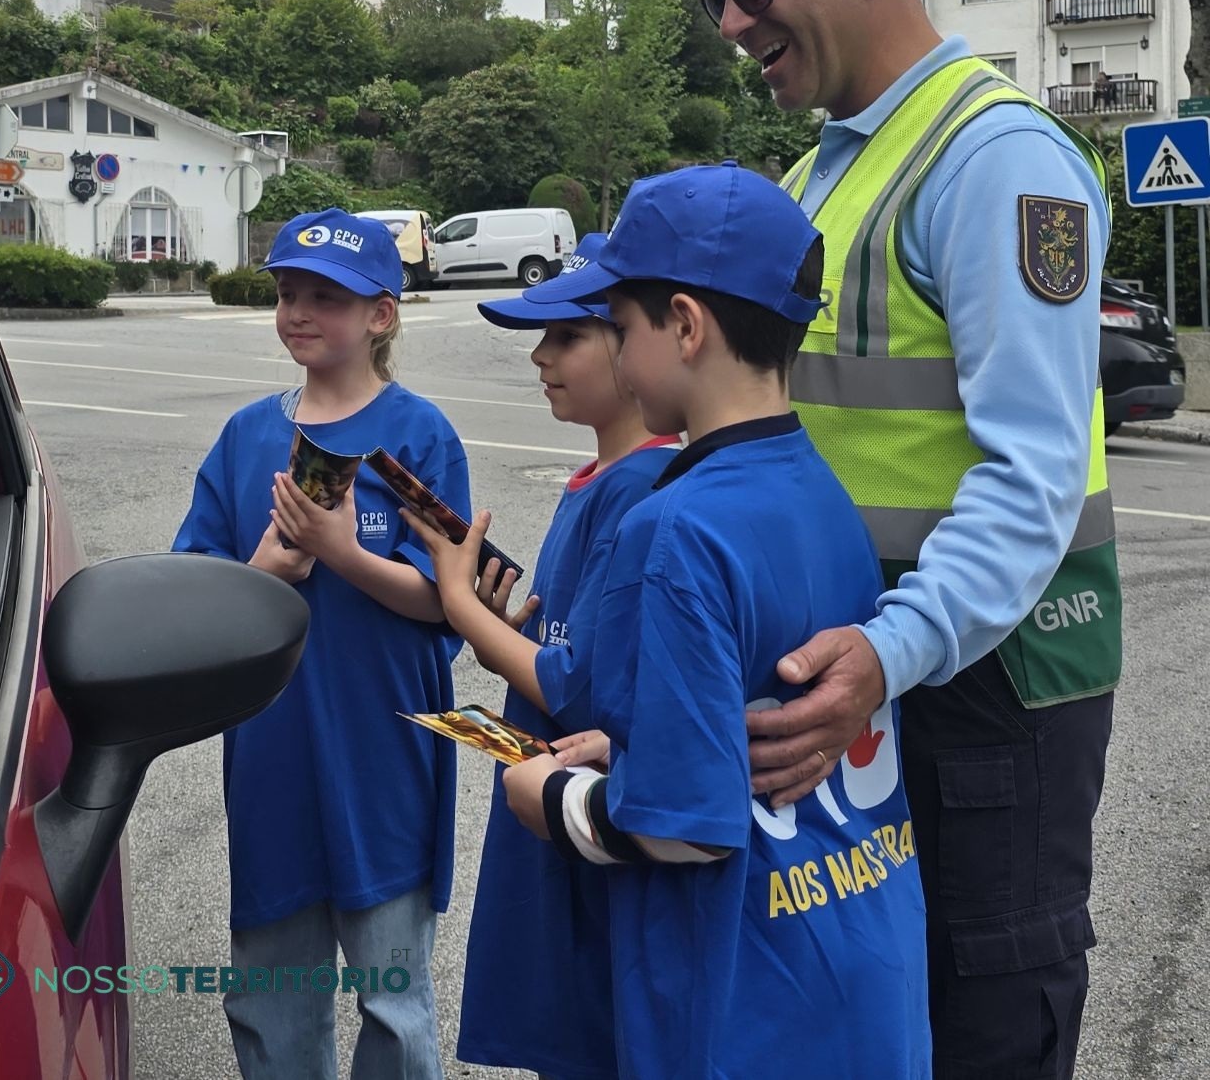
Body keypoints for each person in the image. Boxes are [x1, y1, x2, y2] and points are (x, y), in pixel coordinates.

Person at [687, 0, 1117, 1077]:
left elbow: (1031, 472)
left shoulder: (994, 159)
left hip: (983, 685)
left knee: (980, 1018)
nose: (730, 21)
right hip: (864, 673)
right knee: (872, 1021)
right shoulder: (822, 169)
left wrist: (887, 650)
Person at [492, 163, 931, 1079]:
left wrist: (552, 796)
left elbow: (684, 825)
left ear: (684, 325)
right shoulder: (823, 490)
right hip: (861, 970)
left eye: (619, 326)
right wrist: (634, 747)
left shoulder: (673, 525)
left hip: (742, 1010)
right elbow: (746, 712)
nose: (614, 351)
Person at [172, 207, 466, 1080]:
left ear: (382, 313)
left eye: (326, 297)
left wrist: (344, 553)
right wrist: (264, 567)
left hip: (386, 754)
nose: (299, 311)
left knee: (393, 996)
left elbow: (449, 601)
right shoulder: (246, 437)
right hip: (274, 756)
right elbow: (197, 597)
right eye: (287, 292)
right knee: (272, 990)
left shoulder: (418, 435)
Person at [403, 233, 678, 1080]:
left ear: (635, 344)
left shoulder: (639, 485)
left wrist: (457, 601)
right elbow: (559, 645)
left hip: (589, 810)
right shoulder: (601, 474)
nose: (540, 355)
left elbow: (571, 680)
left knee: (590, 1031)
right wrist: (506, 629)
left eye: (568, 336)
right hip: (556, 792)